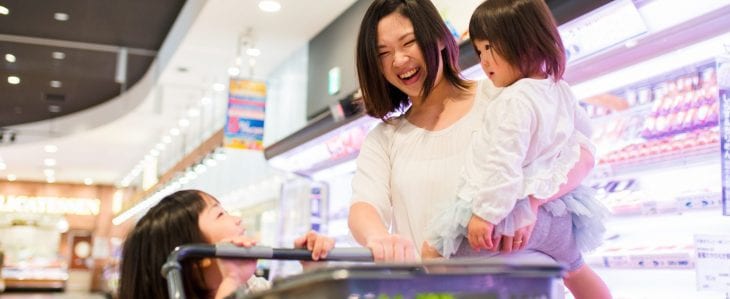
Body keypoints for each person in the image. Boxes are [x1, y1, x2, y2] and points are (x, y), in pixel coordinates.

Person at [349, 0, 610, 297]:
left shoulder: (506, 94)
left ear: (438, 38)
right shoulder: (385, 138)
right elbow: (364, 205)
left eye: (408, 42)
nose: (398, 60)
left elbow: (582, 154)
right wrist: (379, 237)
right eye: (383, 54)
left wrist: (531, 202)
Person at [118, 190, 334, 299]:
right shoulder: (239, 285)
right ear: (194, 260)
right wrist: (231, 279)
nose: (237, 219)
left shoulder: (252, 287)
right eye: (220, 214)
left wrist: (313, 273)